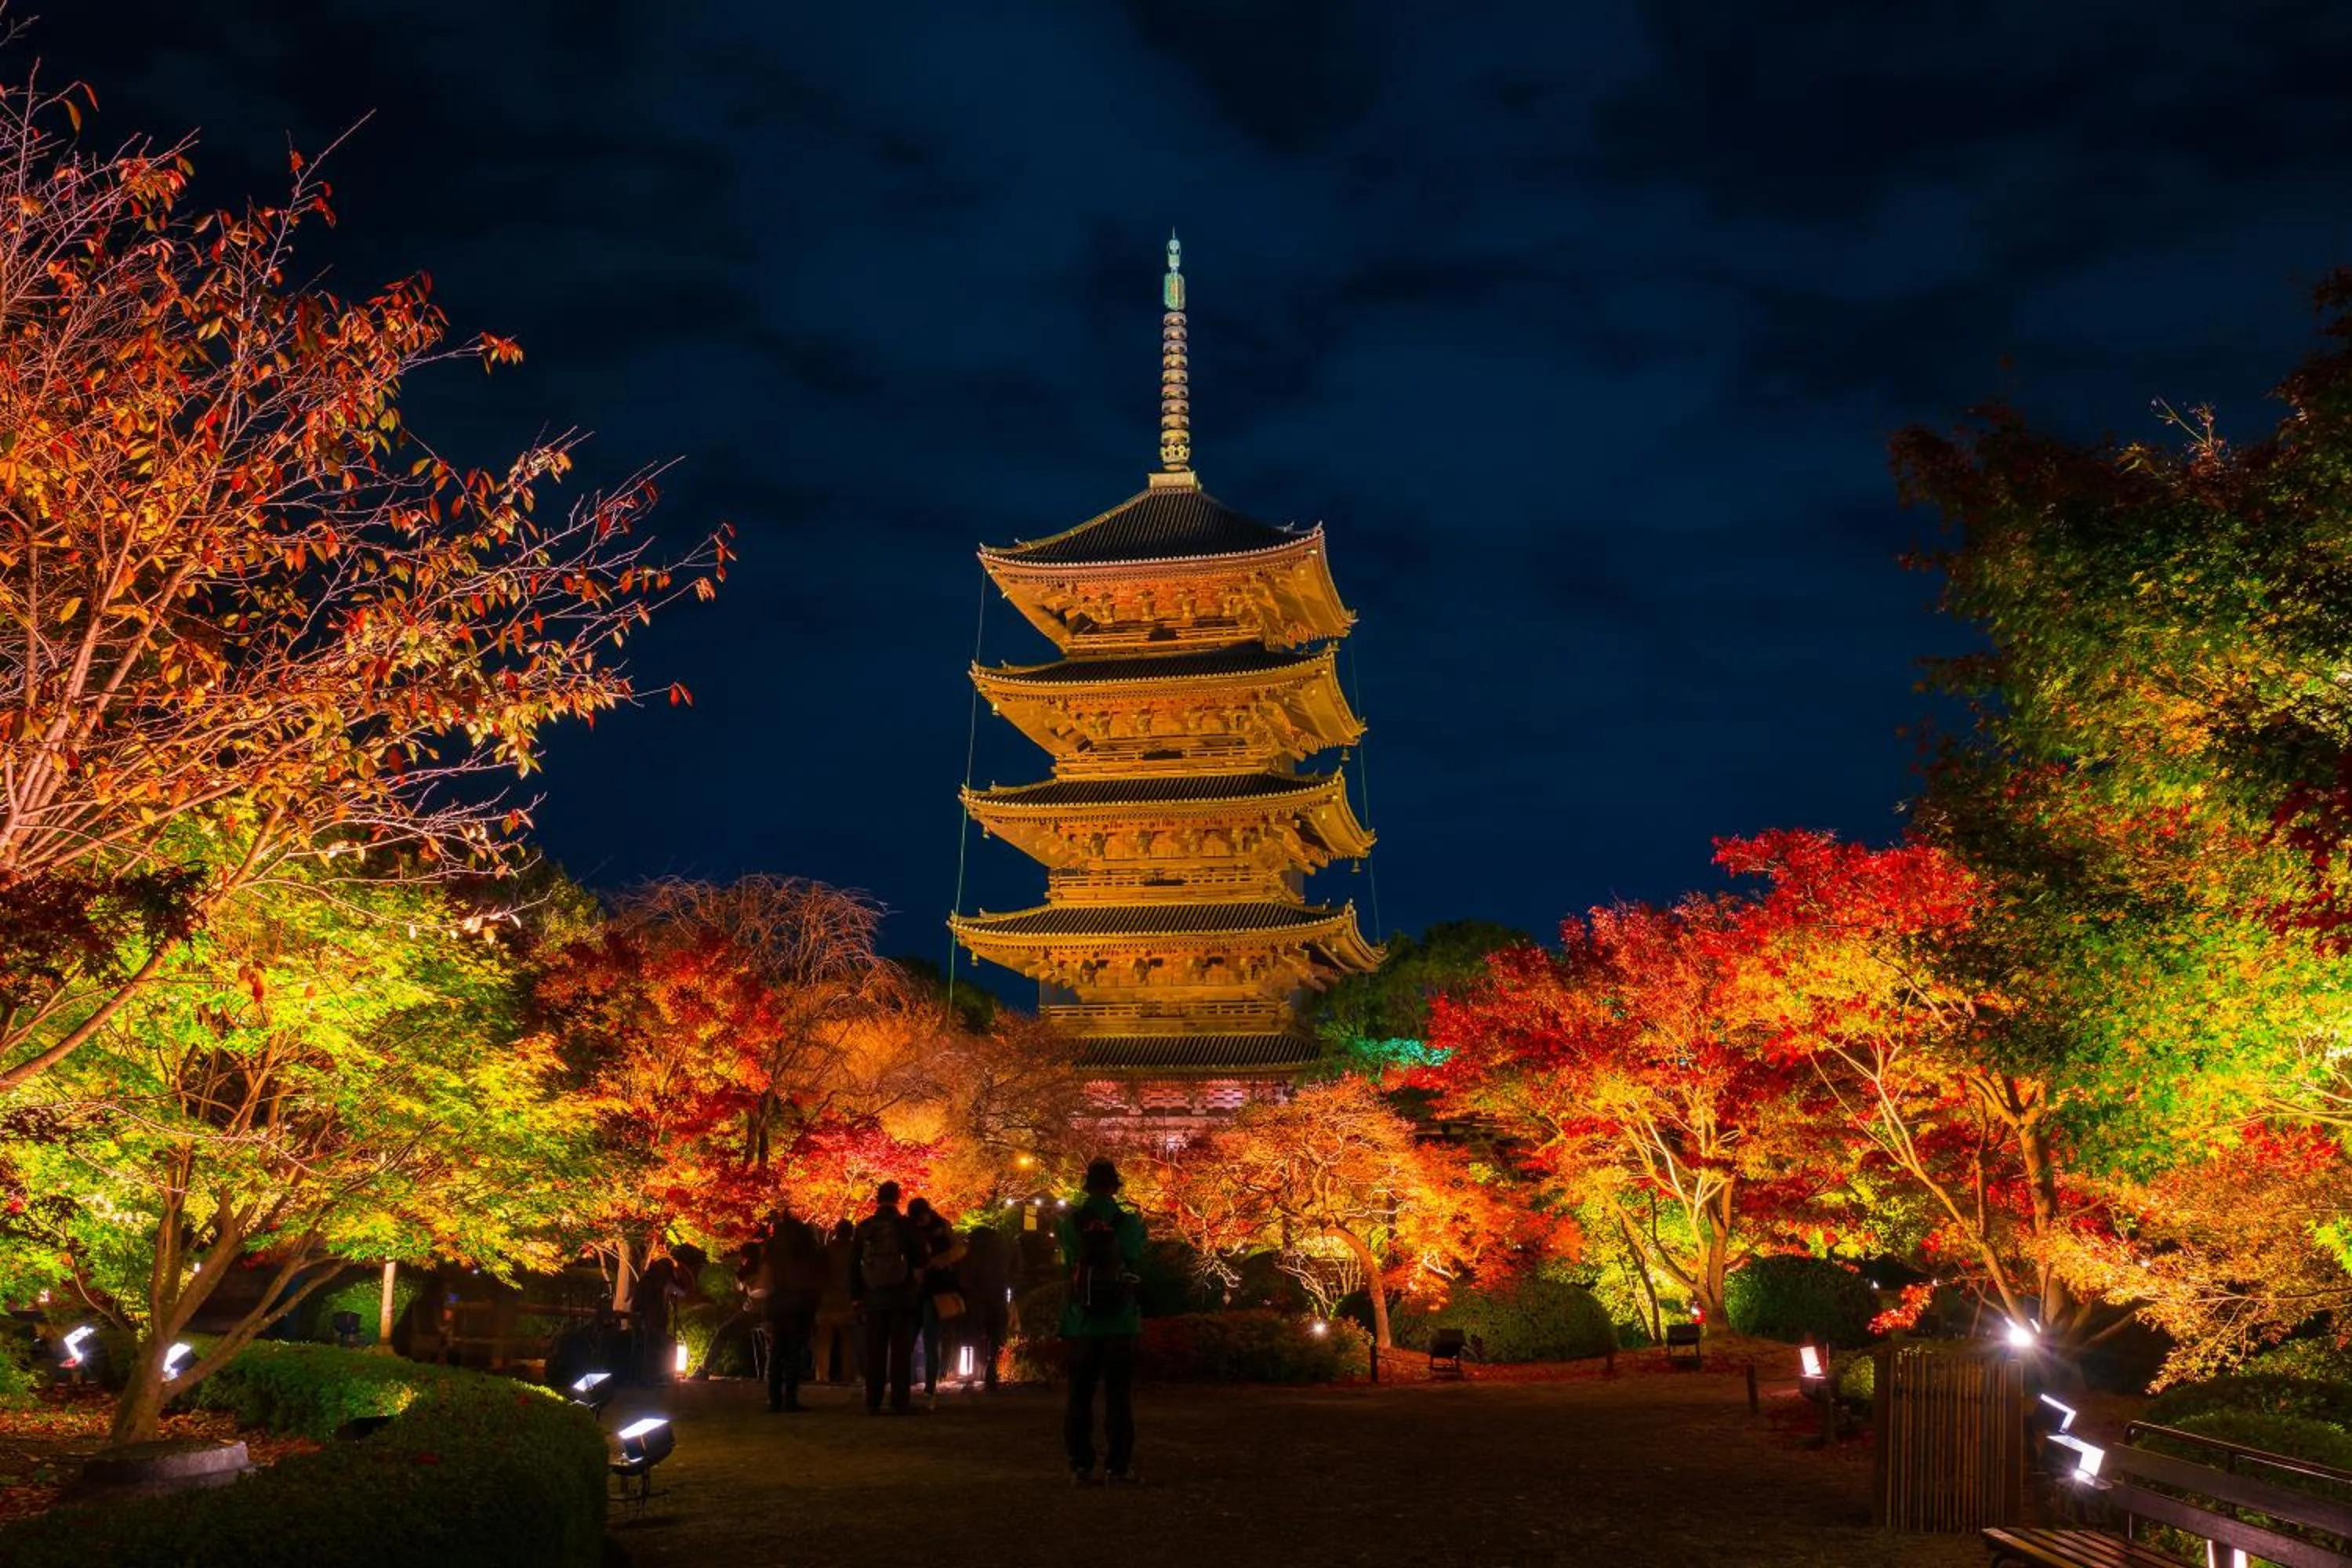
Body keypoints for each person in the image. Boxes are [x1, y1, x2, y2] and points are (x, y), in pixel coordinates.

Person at [1058, 1158, 1145, 1485]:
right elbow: (1135, 1259)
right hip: (1121, 1320)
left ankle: (1081, 1466)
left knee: (1079, 1396)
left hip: (1081, 1319)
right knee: (1119, 1397)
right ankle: (1118, 1467)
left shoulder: (1070, 1222)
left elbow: (1068, 1262)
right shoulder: (1130, 1222)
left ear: (1087, 1185)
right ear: (1114, 1187)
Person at [849, 1180, 924, 1414]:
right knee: (901, 1351)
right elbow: (921, 1258)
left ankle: (873, 1400)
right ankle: (899, 1401)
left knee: (875, 1350)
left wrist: (856, 1296)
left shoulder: (865, 1227)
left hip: (873, 1297)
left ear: (877, 1198)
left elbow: (853, 1265)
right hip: (902, 1296)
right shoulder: (905, 1226)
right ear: (898, 1198)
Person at [764, 1213, 828, 1413]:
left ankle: (774, 1398)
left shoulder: (774, 1249)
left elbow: (768, 1278)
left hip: (778, 1303)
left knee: (777, 1353)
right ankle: (790, 1398)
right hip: (801, 1304)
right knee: (794, 1352)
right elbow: (817, 1277)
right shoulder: (807, 1248)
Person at [906, 1196, 967, 1403]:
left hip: (933, 1291)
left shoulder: (939, 1227)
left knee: (930, 1340)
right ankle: (915, 1384)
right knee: (914, 1341)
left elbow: (959, 1249)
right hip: (921, 1290)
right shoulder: (932, 1226)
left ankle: (929, 1387)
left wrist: (936, 1262)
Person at [956, 1223, 1012, 1392]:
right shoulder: (1002, 1253)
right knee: (995, 1337)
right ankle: (991, 1371)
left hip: (975, 1300)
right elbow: (1012, 1272)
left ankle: (970, 1374)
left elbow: (965, 1277)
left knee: (971, 1338)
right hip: (997, 1298)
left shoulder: (971, 1253)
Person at [816, 1219, 859, 1383]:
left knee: (824, 1341)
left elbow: (819, 1276)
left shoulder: (826, 1251)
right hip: (848, 1299)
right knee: (847, 1341)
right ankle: (848, 1376)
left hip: (827, 1299)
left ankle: (822, 1376)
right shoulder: (855, 1251)